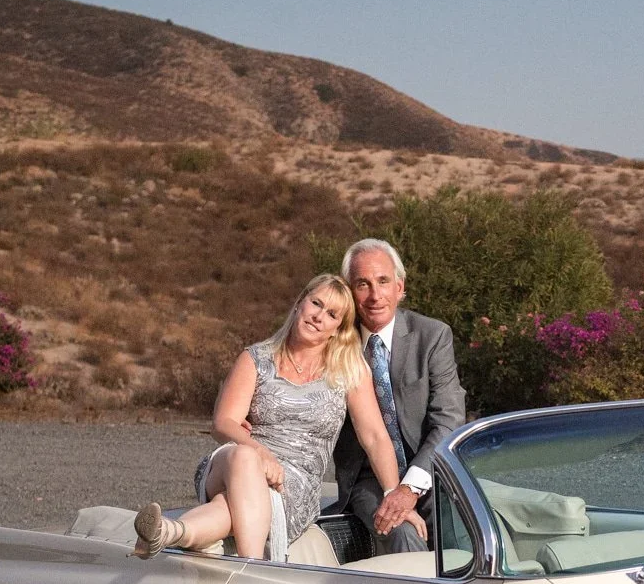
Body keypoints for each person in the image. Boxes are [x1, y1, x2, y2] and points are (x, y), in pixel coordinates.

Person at [132, 273, 419, 560]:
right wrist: (260, 452)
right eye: (315, 303)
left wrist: (393, 492)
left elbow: (375, 437)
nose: (319, 316)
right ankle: (253, 564)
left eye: (331, 314)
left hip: (293, 485)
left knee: (233, 506)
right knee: (245, 457)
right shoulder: (256, 357)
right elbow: (223, 423)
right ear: (299, 304)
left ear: (337, 329)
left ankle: (169, 532)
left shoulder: (349, 370)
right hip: (234, 464)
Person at [333, 238, 466, 553]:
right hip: (368, 479)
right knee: (402, 532)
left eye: (383, 281)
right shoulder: (335, 342)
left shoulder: (432, 336)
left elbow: (448, 420)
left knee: (460, 531)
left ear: (399, 286)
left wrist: (409, 487)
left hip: (432, 469)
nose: (375, 295)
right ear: (348, 291)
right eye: (363, 284)